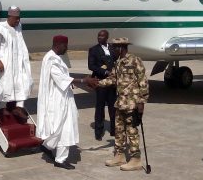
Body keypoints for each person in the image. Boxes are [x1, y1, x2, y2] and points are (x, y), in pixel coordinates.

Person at [36, 35, 98, 170]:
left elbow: (63, 79)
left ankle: (48, 146)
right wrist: (83, 80)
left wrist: (72, 84)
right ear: (59, 44)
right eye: (66, 45)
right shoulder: (52, 59)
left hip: (63, 97)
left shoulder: (54, 57)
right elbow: (61, 78)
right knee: (65, 128)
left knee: (62, 127)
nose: (67, 48)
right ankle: (59, 158)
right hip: (58, 100)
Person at [98, 37, 149, 171]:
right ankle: (119, 155)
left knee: (132, 131)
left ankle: (136, 159)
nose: (113, 49)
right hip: (120, 103)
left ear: (121, 47)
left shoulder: (134, 60)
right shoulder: (118, 62)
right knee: (119, 130)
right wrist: (97, 83)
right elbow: (113, 79)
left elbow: (143, 81)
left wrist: (141, 102)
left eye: (115, 47)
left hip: (132, 103)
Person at [0, 6, 33, 123]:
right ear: (9, 17)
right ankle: (2, 107)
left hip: (18, 61)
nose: (18, 21)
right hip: (5, 61)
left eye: (19, 18)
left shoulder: (18, 26)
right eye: (15, 18)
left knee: (22, 81)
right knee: (5, 83)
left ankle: (19, 106)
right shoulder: (0, 28)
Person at [88, 30, 116, 140]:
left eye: (102, 36)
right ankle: (98, 132)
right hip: (100, 82)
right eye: (98, 35)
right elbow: (91, 66)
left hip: (112, 82)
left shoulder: (113, 48)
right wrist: (104, 72)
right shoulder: (93, 50)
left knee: (113, 107)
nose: (99, 37)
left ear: (107, 37)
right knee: (100, 108)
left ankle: (114, 130)